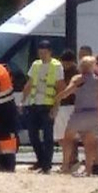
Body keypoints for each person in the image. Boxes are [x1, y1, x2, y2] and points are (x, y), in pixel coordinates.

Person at [20, 39, 62, 174]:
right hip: (34, 104)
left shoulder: (56, 66)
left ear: (50, 52)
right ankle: (41, 159)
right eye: (40, 52)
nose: (42, 55)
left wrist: (56, 107)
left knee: (48, 137)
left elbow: (60, 88)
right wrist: (23, 100)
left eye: (45, 52)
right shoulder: (36, 65)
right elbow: (29, 84)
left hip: (48, 105)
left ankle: (46, 165)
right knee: (32, 135)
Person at [59, 54, 98, 175]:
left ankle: (65, 166)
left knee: (68, 138)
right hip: (93, 113)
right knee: (89, 143)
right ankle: (89, 169)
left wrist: (58, 98)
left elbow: (67, 92)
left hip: (80, 113)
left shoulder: (78, 78)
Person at [53, 47, 78, 149]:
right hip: (63, 106)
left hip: (70, 105)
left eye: (67, 63)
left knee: (67, 136)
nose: (65, 65)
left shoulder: (76, 72)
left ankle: (71, 159)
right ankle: (70, 158)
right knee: (60, 136)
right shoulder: (59, 71)